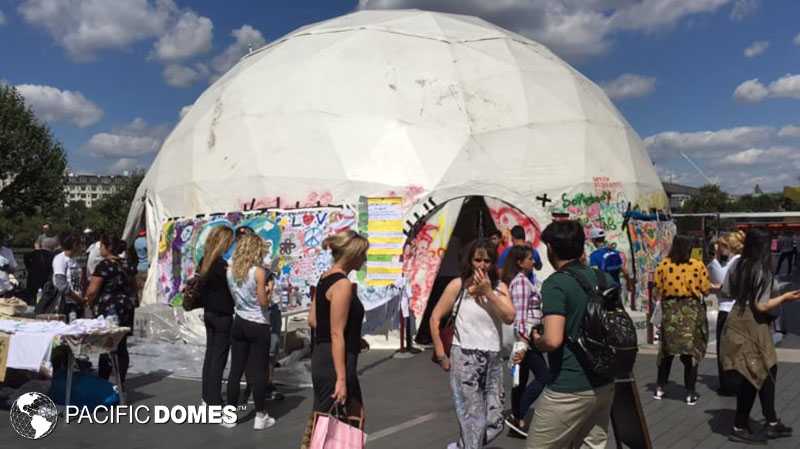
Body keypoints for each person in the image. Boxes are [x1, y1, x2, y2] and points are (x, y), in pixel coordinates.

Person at [526, 220, 615, 449]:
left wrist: (537, 341)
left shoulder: (556, 284)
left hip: (569, 386)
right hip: (604, 382)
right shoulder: (604, 279)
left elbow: (553, 339)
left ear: (551, 249)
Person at [431, 239, 515, 449]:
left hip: (493, 358)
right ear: (470, 261)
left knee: (495, 420)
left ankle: (461, 447)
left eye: (487, 260)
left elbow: (509, 316)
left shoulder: (499, 287)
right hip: (465, 356)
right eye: (477, 259)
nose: (482, 265)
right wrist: (441, 353)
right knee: (472, 418)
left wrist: (488, 292)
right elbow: (435, 317)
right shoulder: (458, 285)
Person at [720, 228, 800, 444]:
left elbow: (725, 290)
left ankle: (771, 421)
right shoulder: (761, 270)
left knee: (765, 369)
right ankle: (740, 425)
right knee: (755, 372)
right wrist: (784, 297)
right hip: (753, 325)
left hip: (736, 319)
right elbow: (762, 305)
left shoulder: (736, 264)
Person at [299, 230, 370, 449]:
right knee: (334, 420)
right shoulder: (342, 285)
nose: (365, 260)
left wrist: (353, 338)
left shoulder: (324, 279)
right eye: (363, 254)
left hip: (325, 356)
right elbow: (336, 332)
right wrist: (341, 379)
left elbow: (313, 320)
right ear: (352, 254)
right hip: (335, 361)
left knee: (336, 418)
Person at [224, 233, 276, 430]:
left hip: (240, 321)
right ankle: (260, 415)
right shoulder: (258, 272)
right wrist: (269, 289)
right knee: (259, 371)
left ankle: (229, 415)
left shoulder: (230, 271)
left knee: (236, 370)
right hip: (258, 323)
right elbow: (263, 303)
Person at [653, 235, 711, 405]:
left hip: (670, 312)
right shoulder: (697, 265)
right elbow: (706, 290)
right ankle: (690, 392)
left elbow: (657, 289)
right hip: (691, 312)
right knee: (690, 353)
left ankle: (659, 388)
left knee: (667, 351)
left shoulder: (664, 264)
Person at [501, 245, 548, 439]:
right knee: (544, 376)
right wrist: (523, 340)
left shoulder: (526, 280)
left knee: (520, 380)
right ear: (520, 263)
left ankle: (517, 420)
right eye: (530, 259)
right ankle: (518, 412)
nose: (533, 261)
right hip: (526, 337)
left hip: (527, 336)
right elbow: (519, 314)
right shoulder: (520, 282)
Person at [85, 234, 136, 384]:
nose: (99, 249)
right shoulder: (127, 264)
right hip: (125, 306)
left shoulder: (104, 265)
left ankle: (103, 382)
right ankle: (121, 382)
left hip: (109, 308)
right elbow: (134, 285)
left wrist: (88, 301)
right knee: (121, 345)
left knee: (106, 345)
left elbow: (92, 290)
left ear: (107, 248)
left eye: (101, 246)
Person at [197, 226, 235, 407]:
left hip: (209, 312)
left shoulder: (205, 261)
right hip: (223, 314)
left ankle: (207, 395)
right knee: (218, 358)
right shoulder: (221, 266)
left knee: (210, 355)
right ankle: (214, 399)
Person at [707, 231, 743, 396]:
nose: (719, 249)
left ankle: (728, 385)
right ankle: (738, 381)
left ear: (728, 246)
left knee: (724, 350)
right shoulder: (741, 262)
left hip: (727, 309)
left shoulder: (732, 263)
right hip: (739, 310)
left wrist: (714, 259)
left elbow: (721, 283)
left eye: (721, 246)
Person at [53, 232, 85, 320]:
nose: (81, 247)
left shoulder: (74, 260)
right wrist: (78, 299)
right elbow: (61, 285)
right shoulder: (60, 259)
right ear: (75, 245)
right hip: (65, 304)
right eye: (80, 244)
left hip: (76, 302)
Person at [133, 229, 149, 305]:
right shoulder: (146, 241)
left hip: (139, 267)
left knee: (140, 290)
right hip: (147, 268)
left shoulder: (136, 242)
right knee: (147, 289)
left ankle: (140, 305)